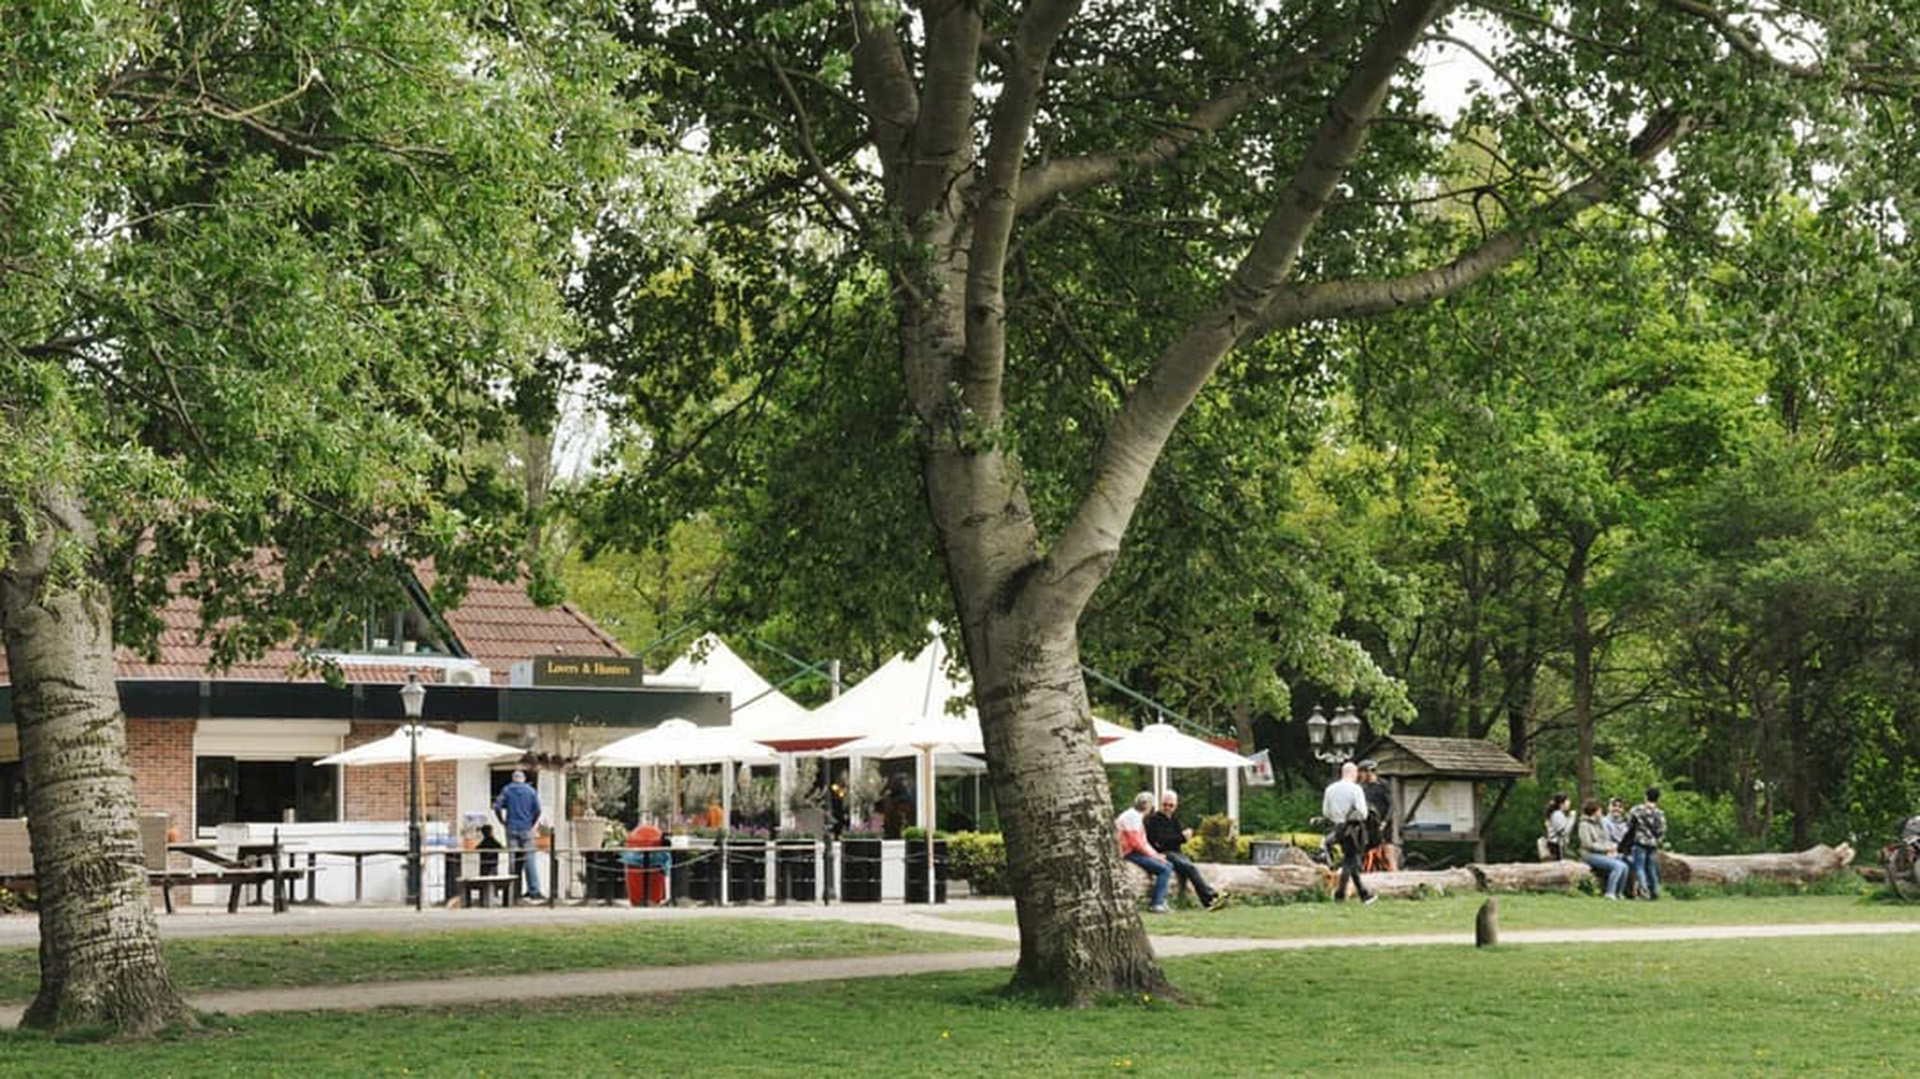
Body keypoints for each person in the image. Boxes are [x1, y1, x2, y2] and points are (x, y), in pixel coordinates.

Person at [1145, 791, 1225, 911]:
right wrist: (1182, 837)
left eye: (1170, 805)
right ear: (1160, 804)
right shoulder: (1154, 820)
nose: (1167, 808)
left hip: (1175, 852)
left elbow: (1179, 836)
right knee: (1190, 868)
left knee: (1191, 868)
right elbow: (1162, 840)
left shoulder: (1174, 819)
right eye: (1165, 805)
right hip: (1162, 853)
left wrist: (1185, 835)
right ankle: (1210, 897)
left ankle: (1209, 899)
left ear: (1175, 806)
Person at [1322, 761, 1376, 904]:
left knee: (1351, 861)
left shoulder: (1330, 789)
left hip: (1337, 827)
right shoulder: (1355, 789)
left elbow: (1326, 812)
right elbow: (1363, 813)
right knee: (1349, 860)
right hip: (1352, 829)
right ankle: (1340, 894)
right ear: (1354, 773)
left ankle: (1364, 895)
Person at [1116, 791, 1172, 912]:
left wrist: (1156, 855)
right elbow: (1137, 844)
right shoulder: (1132, 817)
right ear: (1148, 806)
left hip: (1134, 851)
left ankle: (1162, 900)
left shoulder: (1136, 816)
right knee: (1164, 869)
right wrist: (1155, 857)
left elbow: (1144, 842)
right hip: (1129, 853)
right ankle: (1157, 904)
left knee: (1168, 865)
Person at [493, 768, 544, 900]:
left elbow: (497, 806)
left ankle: (513, 892)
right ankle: (534, 890)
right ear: (524, 779)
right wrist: (532, 822)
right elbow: (538, 809)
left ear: (513, 779)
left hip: (511, 828)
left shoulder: (507, 790)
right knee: (530, 859)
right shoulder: (531, 791)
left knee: (513, 859)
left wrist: (501, 820)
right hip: (526, 828)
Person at [1576, 799, 1629, 899]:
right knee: (1618, 866)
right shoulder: (1583, 825)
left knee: (1625, 865)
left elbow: (1605, 840)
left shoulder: (1599, 823)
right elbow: (1588, 844)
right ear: (1594, 811)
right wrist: (1606, 849)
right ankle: (1610, 892)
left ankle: (1619, 893)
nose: (1601, 812)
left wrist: (1612, 848)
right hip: (1589, 855)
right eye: (1599, 810)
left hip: (1601, 853)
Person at [1627, 786, 1668, 899]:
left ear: (1645, 796)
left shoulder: (1637, 810)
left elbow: (1629, 824)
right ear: (1658, 799)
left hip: (1639, 842)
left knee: (1640, 867)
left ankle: (1644, 891)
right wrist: (1656, 839)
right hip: (1653, 844)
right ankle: (1655, 891)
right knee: (1651, 868)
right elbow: (1662, 830)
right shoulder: (1660, 813)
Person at [1357, 759, 1395, 871]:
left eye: (1362, 772)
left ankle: (1395, 873)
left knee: (1388, 851)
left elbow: (1392, 805)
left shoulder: (1383, 785)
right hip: (1369, 823)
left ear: (1369, 772)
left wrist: (1385, 821)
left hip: (1384, 822)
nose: (1360, 775)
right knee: (1366, 849)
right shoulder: (1361, 787)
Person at [1543, 792, 1573, 861]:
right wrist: (1571, 819)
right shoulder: (1557, 814)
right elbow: (1563, 832)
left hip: (1556, 845)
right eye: (1567, 801)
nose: (1569, 803)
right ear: (1561, 804)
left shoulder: (1558, 814)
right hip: (1556, 846)